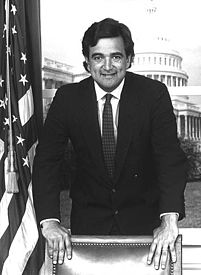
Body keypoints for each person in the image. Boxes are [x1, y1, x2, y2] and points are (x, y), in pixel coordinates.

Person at [32, 18, 187, 270]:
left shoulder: (153, 94)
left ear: (128, 60)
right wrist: (49, 221)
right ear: (87, 62)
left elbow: (169, 158)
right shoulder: (67, 98)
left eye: (116, 57)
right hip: (87, 228)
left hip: (145, 227)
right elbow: (47, 160)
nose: (107, 66)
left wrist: (169, 219)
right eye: (97, 57)